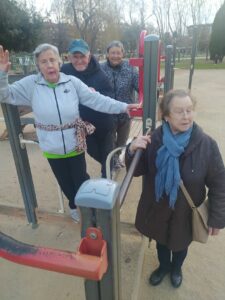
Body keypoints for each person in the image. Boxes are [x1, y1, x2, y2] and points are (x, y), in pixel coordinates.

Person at [0, 44, 138, 223]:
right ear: (38, 66)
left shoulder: (72, 82)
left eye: (52, 60)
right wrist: (2, 75)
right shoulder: (31, 85)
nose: (49, 65)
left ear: (59, 62)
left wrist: (123, 107)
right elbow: (5, 95)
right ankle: (75, 206)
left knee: (81, 179)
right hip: (52, 147)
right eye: (44, 61)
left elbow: (97, 100)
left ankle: (88, 208)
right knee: (65, 183)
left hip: (74, 143)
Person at [125, 89, 225, 288]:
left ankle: (176, 268)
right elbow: (137, 170)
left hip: (185, 211)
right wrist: (131, 150)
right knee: (162, 240)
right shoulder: (154, 139)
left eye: (189, 110)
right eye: (179, 111)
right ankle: (163, 267)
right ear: (167, 116)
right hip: (158, 207)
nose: (186, 116)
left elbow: (219, 183)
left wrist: (217, 218)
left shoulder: (206, 145)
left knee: (180, 244)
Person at [61, 39, 114, 178]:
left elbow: (109, 95)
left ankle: (107, 180)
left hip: (104, 124)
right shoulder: (64, 72)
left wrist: (96, 93)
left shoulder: (100, 74)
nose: (79, 61)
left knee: (107, 156)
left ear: (89, 56)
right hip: (84, 126)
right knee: (95, 153)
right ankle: (110, 165)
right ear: (69, 57)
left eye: (82, 57)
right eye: (75, 57)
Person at [101, 40, 139, 169]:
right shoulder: (101, 69)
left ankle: (116, 157)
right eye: (112, 53)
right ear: (107, 54)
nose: (115, 56)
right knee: (109, 141)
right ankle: (111, 162)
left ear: (122, 54)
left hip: (125, 113)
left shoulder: (130, 69)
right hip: (107, 114)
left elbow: (140, 86)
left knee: (122, 140)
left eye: (118, 53)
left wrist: (142, 100)